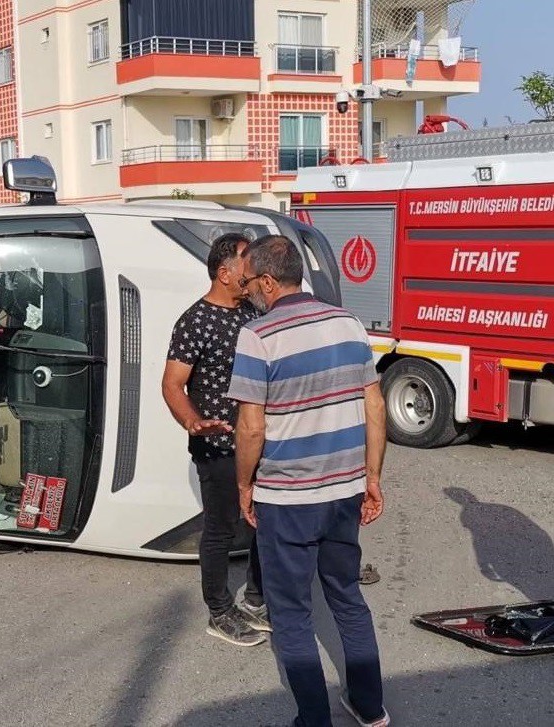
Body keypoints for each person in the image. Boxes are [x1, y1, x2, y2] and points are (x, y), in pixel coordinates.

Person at [228, 235, 389, 727]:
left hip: (288, 497)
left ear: (270, 281)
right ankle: (369, 707)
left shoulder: (258, 336)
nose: (246, 289)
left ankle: (314, 720)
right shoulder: (348, 323)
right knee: (346, 596)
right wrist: (373, 477)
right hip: (344, 490)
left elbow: (251, 426)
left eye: (250, 280)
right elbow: (375, 405)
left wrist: (243, 485)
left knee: (292, 612)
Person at [162, 232, 269, 647]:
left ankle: (257, 600)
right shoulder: (194, 321)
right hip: (219, 444)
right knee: (222, 527)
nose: (254, 264)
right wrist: (193, 421)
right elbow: (173, 385)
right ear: (225, 272)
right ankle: (220, 610)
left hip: (258, 438)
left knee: (265, 521)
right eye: (247, 259)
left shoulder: (253, 311)